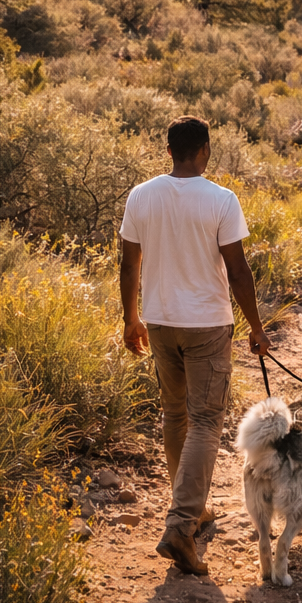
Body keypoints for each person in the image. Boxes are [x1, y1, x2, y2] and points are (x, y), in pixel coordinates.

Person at [119, 114, 271, 576]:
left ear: (169, 150)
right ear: (205, 148)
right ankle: (182, 526)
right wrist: (257, 327)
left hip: (160, 321)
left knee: (176, 415)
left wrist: (129, 318)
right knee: (206, 421)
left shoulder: (141, 195)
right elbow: (239, 272)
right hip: (206, 325)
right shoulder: (221, 200)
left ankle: (191, 508)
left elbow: (129, 264)